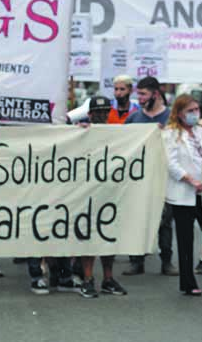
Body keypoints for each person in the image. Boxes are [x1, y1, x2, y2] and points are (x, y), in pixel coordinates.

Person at [75, 96, 128, 298]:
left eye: (105, 112)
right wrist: (77, 132)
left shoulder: (116, 133)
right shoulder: (81, 132)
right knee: (88, 235)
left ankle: (108, 278)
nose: (102, 116)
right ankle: (88, 279)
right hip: (87, 192)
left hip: (111, 191)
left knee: (109, 235)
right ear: (89, 114)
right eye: (98, 112)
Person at [123, 76, 177, 276]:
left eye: (144, 94)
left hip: (163, 177)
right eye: (139, 94)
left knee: (164, 221)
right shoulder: (134, 118)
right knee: (137, 218)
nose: (140, 98)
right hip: (139, 178)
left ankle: (167, 261)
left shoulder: (171, 118)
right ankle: (136, 260)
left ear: (155, 94)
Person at [164, 94, 202, 296]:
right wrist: (191, 180)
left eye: (197, 109)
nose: (194, 114)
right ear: (179, 113)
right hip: (184, 193)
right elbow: (171, 164)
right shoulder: (171, 133)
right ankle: (188, 282)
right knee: (186, 239)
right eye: (190, 111)